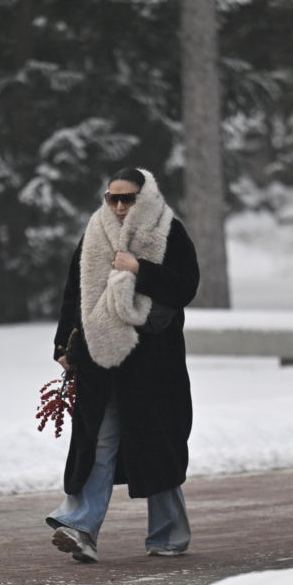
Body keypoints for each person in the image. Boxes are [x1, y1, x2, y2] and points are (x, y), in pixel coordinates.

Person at [46, 166, 200, 563]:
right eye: (111, 197)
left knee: (157, 447)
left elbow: (185, 286)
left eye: (127, 198)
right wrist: (64, 344)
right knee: (98, 441)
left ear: (144, 198)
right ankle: (80, 528)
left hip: (154, 367)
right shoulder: (95, 232)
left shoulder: (169, 230)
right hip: (101, 360)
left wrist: (140, 270)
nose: (118, 206)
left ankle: (169, 534)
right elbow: (74, 294)